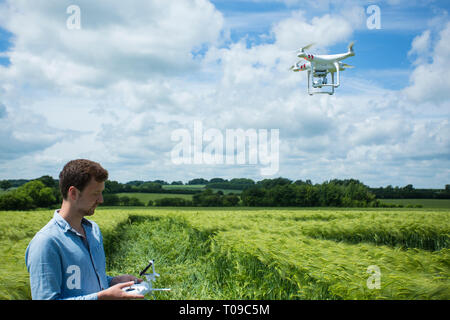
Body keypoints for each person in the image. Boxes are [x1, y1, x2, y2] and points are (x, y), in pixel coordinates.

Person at [25, 159, 144, 300]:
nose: (101, 200)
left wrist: (112, 281)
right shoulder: (46, 242)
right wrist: (101, 297)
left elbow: (82, 281)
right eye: (95, 193)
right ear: (73, 193)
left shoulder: (93, 231)